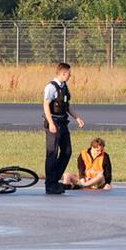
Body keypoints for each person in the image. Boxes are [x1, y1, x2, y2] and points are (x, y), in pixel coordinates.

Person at [43, 62, 85, 195]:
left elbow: (66, 106)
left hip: (63, 122)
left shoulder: (64, 87)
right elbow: (45, 105)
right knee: (52, 154)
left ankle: (55, 180)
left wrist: (77, 117)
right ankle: (50, 185)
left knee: (67, 151)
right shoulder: (51, 87)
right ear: (63, 73)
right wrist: (50, 123)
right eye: (69, 73)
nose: (70, 76)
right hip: (53, 122)